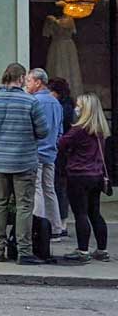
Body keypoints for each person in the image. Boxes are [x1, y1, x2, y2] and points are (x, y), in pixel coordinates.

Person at [0, 62, 48, 265]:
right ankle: (24, 251)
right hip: (24, 161)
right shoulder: (30, 102)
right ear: (22, 78)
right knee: (24, 206)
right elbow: (43, 132)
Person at [58, 92, 111, 263]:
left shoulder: (78, 130)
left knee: (80, 213)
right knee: (95, 213)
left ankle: (83, 251)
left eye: (79, 105)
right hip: (96, 175)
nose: (76, 108)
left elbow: (61, 143)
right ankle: (102, 250)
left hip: (78, 175)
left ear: (86, 109)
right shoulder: (100, 129)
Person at [25, 68, 64, 238]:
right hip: (51, 152)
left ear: (38, 82)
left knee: (37, 190)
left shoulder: (34, 102)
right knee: (49, 189)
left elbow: (30, 128)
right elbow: (60, 130)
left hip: (36, 151)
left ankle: (39, 228)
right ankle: (56, 228)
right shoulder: (55, 102)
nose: (27, 84)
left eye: (29, 81)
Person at [48, 77, 75, 236]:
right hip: (63, 151)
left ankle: (61, 222)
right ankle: (60, 221)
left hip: (61, 152)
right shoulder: (67, 105)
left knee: (58, 186)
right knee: (58, 186)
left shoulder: (62, 108)